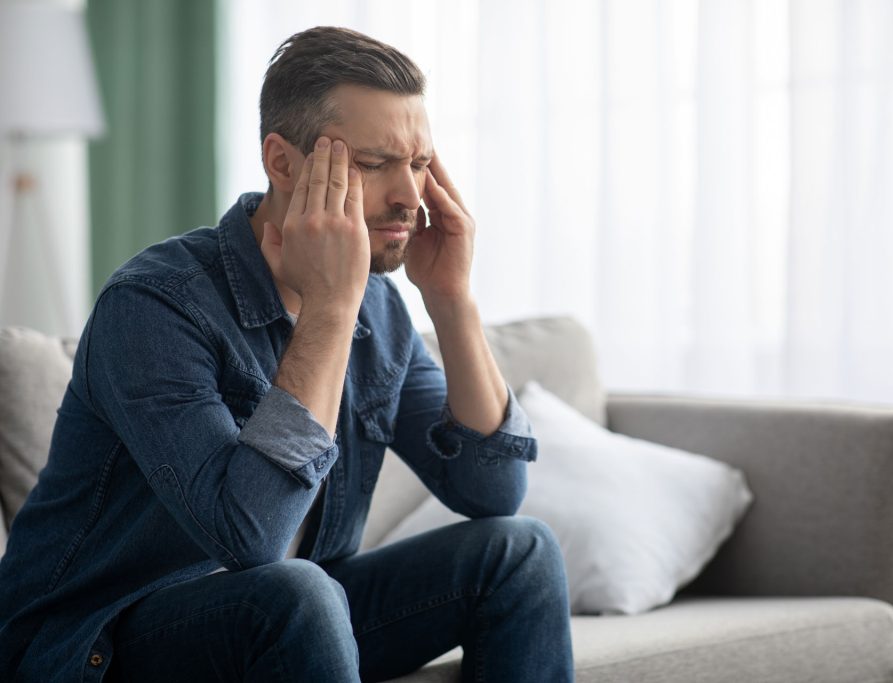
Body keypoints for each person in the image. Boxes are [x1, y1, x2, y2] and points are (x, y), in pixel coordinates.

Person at [0, 26, 573, 682]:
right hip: (97, 640)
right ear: (283, 163)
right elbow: (252, 538)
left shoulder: (379, 306)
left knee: (520, 552)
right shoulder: (153, 306)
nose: (411, 198)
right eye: (375, 161)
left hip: (294, 613)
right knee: (297, 590)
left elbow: (492, 491)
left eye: (418, 164)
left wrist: (451, 301)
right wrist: (328, 311)